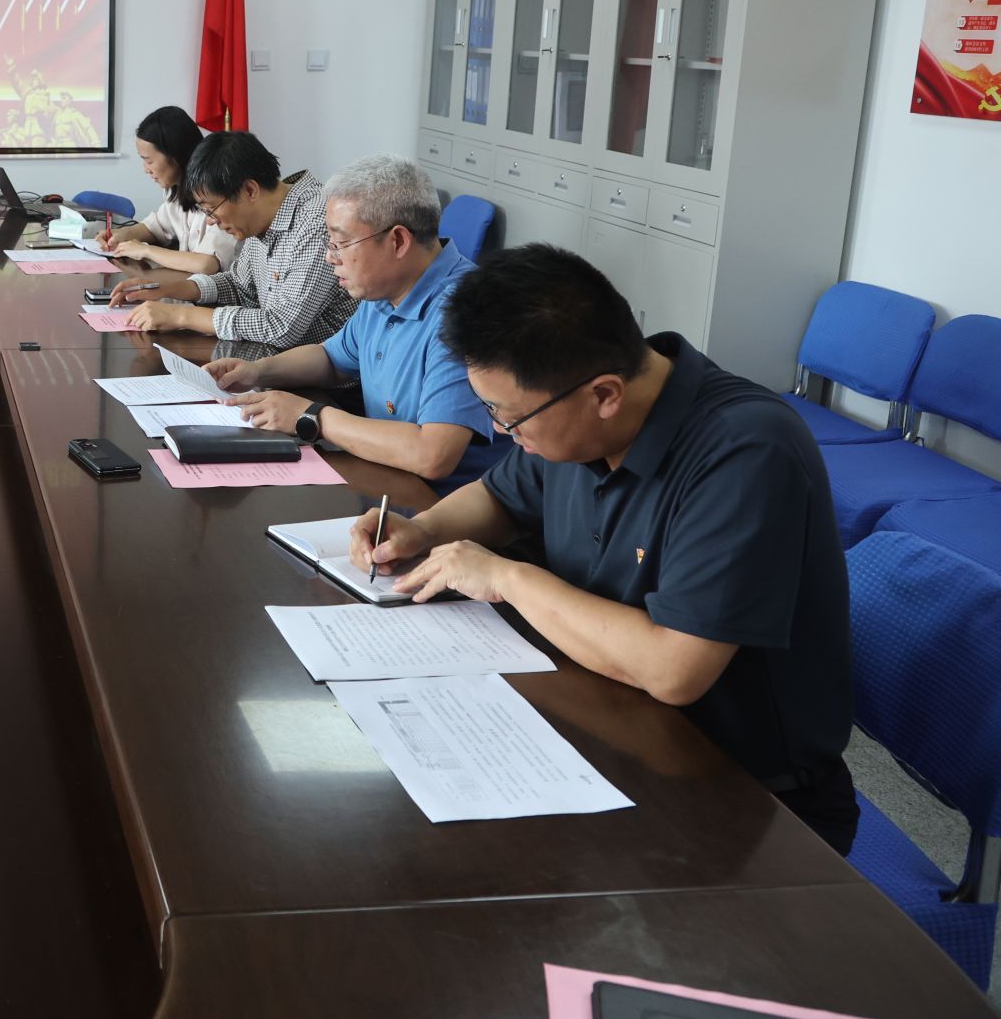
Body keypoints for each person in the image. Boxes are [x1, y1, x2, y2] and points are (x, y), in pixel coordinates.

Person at [350, 244, 856, 853]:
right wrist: (424, 529)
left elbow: (673, 670)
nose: (504, 432)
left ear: (605, 394)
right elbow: (501, 497)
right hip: (603, 719)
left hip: (743, 798)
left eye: (509, 417)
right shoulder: (574, 419)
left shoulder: (745, 452)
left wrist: (506, 578)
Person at [204, 155, 500, 492]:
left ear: (398, 241)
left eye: (341, 243)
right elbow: (332, 359)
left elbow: (432, 455)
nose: (330, 256)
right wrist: (257, 372)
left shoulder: (465, 310)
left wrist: (312, 416)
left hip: (439, 504)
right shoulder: (386, 289)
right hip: (384, 478)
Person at [110, 130, 354, 348]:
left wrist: (181, 316)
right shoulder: (262, 218)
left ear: (249, 190)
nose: (210, 221)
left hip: (326, 378)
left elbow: (282, 327)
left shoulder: (317, 222)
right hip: (274, 360)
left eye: (211, 209)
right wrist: (169, 289)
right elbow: (239, 285)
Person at [99, 105, 239, 275]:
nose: (146, 169)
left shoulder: (217, 193)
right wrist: (121, 235)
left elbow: (206, 264)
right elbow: (157, 226)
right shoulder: (176, 191)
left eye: (149, 161)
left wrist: (145, 250)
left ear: (175, 155)